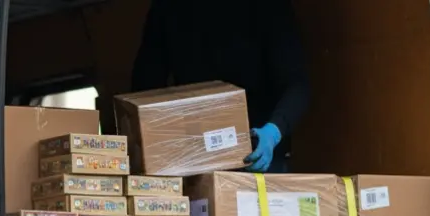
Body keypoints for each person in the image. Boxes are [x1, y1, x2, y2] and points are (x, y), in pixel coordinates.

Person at [131, 0, 310, 173]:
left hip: (256, 152)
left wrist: (273, 131)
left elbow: (296, 83)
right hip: (191, 154)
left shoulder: (267, 5)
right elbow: (146, 82)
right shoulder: (170, 5)